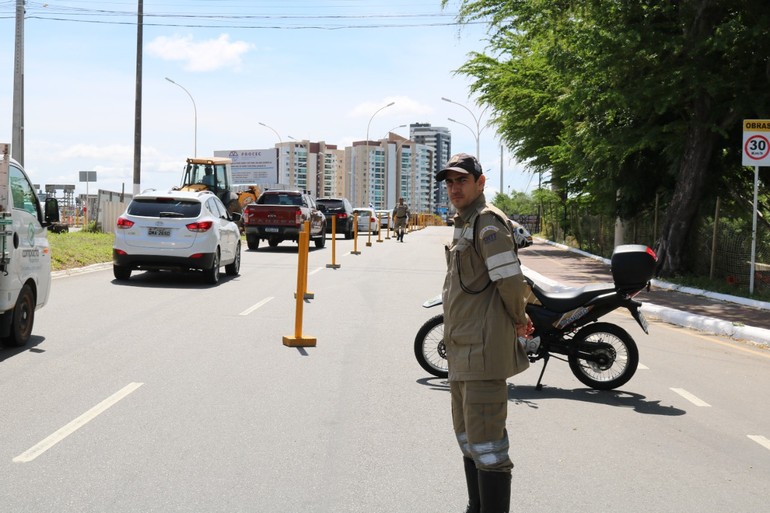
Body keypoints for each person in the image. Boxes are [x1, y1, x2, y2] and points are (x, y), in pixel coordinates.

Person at [437, 153, 531, 513]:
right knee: (469, 441)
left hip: (483, 352)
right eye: (449, 182)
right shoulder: (464, 221)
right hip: (463, 350)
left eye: (461, 180)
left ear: (480, 182)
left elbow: (508, 278)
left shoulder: (487, 222)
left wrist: (519, 319)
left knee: (489, 448)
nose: (454, 188)